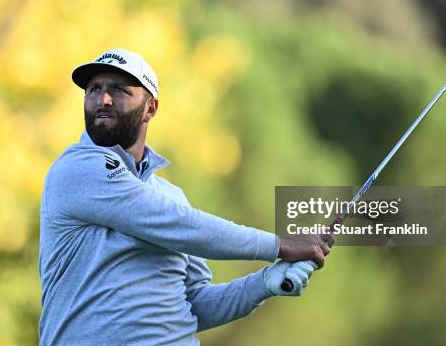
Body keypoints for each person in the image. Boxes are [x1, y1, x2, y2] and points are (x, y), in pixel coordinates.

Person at [38, 49, 332, 345]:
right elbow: (178, 224)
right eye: (94, 90)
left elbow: (193, 304)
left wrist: (265, 282)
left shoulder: (169, 195)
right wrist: (281, 245)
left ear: (150, 108)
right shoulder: (76, 169)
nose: (103, 99)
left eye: (119, 90)